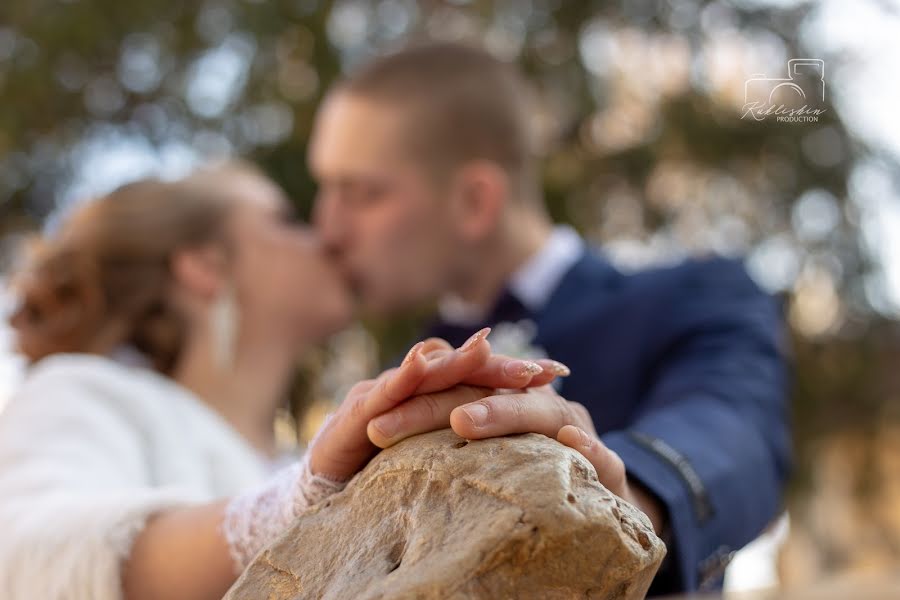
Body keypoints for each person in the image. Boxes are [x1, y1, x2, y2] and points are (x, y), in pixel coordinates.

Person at [308, 42, 791, 594]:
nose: (328, 229)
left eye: (362, 193)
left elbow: (732, 430)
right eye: (325, 188)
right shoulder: (396, 381)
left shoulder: (694, 296)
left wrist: (622, 496)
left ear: (475, 201)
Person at [0, 162, 579, 600]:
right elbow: (28, 552)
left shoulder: (289, 456)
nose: (325, 235)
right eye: (285, 220)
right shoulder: (82, 391)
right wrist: (297, 506)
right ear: (205, 266)